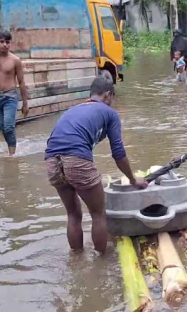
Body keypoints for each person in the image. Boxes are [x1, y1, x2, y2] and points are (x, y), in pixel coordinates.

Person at [45, 77, 147, 254]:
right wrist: (133, 180)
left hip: (51, 160)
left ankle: (77, 260)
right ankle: (101, 263)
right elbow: (119, 154)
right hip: (76, 159)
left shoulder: (73, 110)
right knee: (98, 213)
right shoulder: (110, 113)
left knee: (73, 214)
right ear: (108, 95)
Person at [0, 30, 29, 156]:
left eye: (7, 42)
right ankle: (11, 147)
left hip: (10, 96)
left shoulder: (15, 60)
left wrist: (25, 103)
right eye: (1, 42)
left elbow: (21, 82)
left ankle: (12, 155)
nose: (5, 45)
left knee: (9, 126)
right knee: (3, 127)